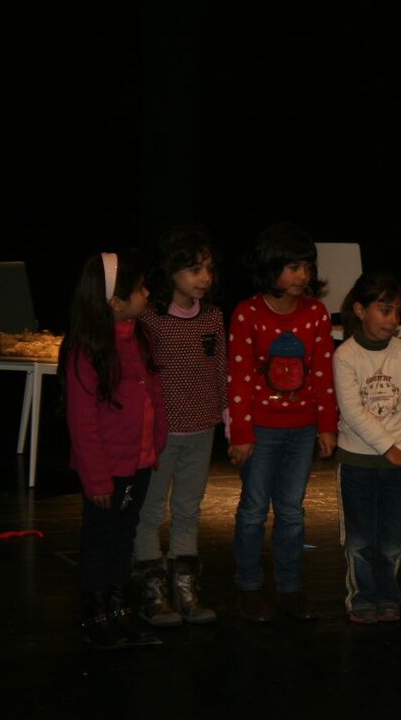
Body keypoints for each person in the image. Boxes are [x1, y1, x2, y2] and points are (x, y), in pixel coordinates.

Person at [227, 222, 338, 622]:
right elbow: (238, 377)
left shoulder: (316, 313)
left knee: (291, 511)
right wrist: (241, 432)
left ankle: (290, 588)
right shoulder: (247, 313)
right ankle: (249, 586)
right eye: (292, 267)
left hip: (302, 430)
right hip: (260, 430)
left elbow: (323, 374)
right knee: (253, 510)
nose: (302, 275)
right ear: (270, 268)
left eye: (306, 267)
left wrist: (327, 425)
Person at [61, 250, 167, 649]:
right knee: (100, 537)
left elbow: (154, 392)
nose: (147, 293)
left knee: (124, 534)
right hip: (106, 469)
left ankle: (120, 607)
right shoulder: (88, 349)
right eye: (139, 289)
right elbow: (82, 421)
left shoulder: (142, 337)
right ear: (115, 302)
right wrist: (97, 478)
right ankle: (96, 611)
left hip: (138, 461)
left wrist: (157, 438)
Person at [133, 227, 225, 627]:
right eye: (194, 269)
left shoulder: (213, 316)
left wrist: (227, 416)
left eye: (208, 269)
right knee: (151, 509)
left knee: (188, 508)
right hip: (161, 433)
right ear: (171, 271)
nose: (204, 278)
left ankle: (185, 588)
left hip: (202, 429)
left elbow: (220, 369)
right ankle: (152, 591)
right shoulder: (151, 318)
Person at [334, 273, 401, 624]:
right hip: (358, 462)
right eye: (384, 310)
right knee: (359, 538)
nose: (392, 319)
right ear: (360, 310)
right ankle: (361, 596)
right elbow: (353, 411)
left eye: (397, 311)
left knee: (391, 537)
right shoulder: (346, 355)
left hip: (395, 464)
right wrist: (389, 447)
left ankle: (388, 595)